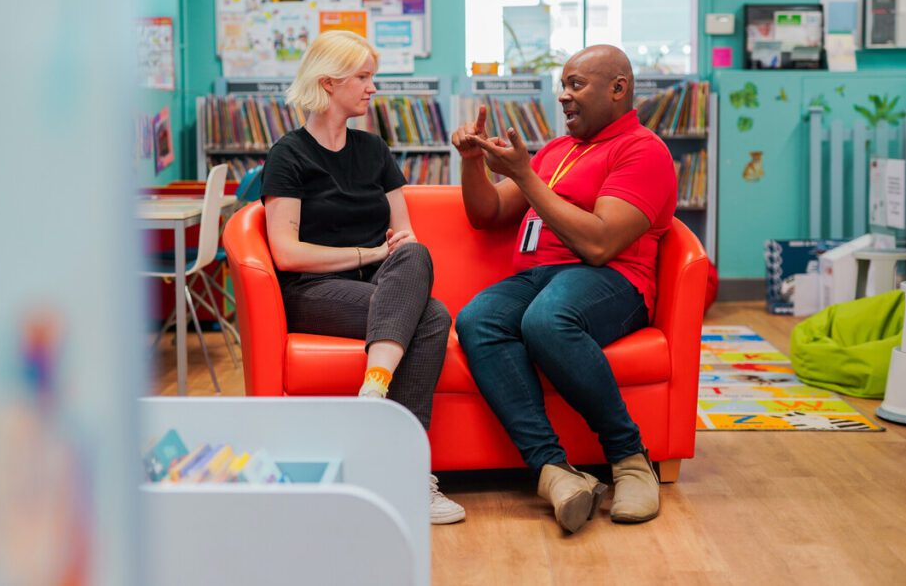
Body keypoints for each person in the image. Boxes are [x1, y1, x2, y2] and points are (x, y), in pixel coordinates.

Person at [451, 44, 676, 533]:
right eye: (563, 86)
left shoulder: (643, 150)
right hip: (539, 278)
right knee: (476, 319)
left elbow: (599, 245)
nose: (563, 97)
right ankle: (554, 471)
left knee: (546, 320)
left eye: (577, 85)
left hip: (612, 281)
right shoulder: (557, 151)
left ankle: (630, 460)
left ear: (618, 88)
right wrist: (473, 161)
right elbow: (486, 214)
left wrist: (526, 176)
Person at [260, 30, 465, 525]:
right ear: (329, 83)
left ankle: (376, 395)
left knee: (416, 259)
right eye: (364, 77)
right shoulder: (288, 155)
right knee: (432, 316)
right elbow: (287, 254)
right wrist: (366, 252)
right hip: (313, 291)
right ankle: (410, 476)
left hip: (382, 282)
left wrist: (391, 248)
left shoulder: (374, 149)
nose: (374, 88)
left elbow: (405, 233)